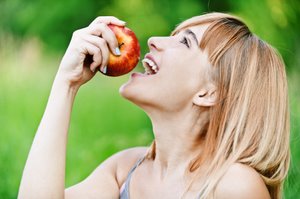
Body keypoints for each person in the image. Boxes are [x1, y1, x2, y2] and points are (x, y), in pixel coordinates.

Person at [18, 12, 290, 199]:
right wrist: (66, 84)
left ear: (209, 93)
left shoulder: (234, 186)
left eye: (184, 42)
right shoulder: (125, 169)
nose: (153, 41)